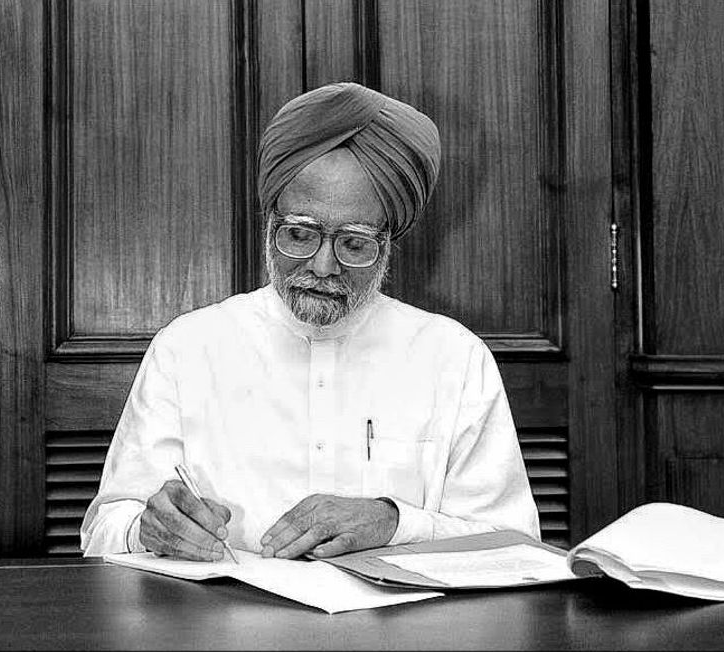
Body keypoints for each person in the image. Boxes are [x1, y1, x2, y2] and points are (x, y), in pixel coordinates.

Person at [81, 82, 540, 562]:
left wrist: (397, 523)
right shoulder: (187, 348)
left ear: (388, 242)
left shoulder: (455, 359)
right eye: (299, 235)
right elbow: (102, 532)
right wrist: (146, 530)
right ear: (269, 224)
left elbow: (514, 548)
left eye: (354, 243)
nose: (323, 266)